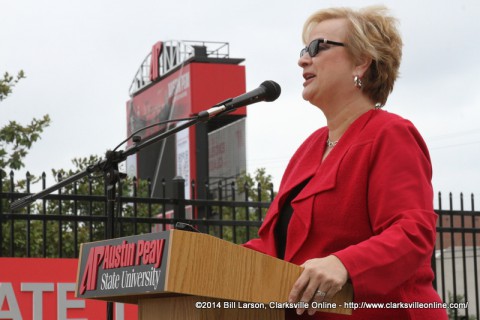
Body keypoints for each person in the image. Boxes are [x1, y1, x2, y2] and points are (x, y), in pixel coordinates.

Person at [243, 6, 448, 319]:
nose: (303, 59)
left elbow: (413, 232)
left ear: (362, 61)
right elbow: (274, 248)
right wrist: (197, 259)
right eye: (303, 49)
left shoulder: (390, 134)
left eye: (319, 47)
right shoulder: (307, 150)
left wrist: (345, 263)